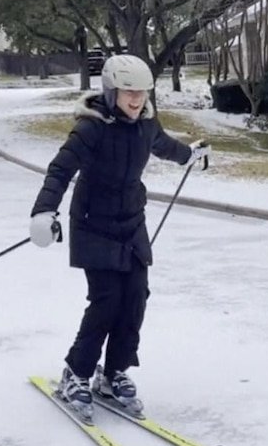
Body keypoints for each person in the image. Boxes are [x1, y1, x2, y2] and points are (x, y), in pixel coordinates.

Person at [29, 54, 210, 421]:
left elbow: (166, 146)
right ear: (111, 91)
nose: (136, 99)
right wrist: (44, 211)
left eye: (142, 92)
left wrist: (190, 155)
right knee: (107, 300)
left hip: (130, 222)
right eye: (129, 91)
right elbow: (60, 170)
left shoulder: (145, 125)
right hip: (93, 224)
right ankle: (76, 373)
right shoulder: (90, 128)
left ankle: (113, 374)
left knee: (136, 297)